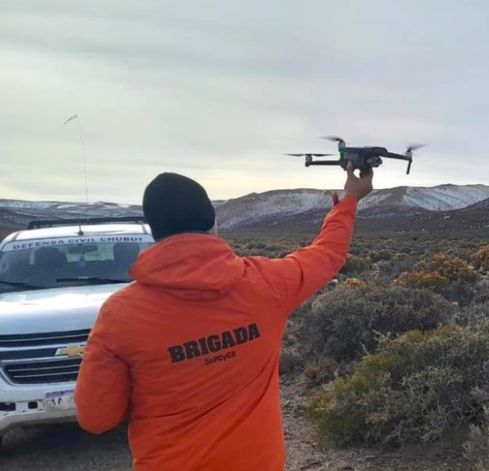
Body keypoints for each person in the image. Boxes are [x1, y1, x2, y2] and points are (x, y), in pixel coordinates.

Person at [74, 164, 373, 470]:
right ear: (213, 223)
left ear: (155, 231)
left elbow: (97, 418)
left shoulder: (119, 314)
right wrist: (350, 199)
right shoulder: (268, 283)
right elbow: (327, 254)